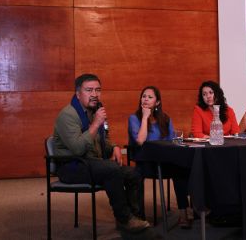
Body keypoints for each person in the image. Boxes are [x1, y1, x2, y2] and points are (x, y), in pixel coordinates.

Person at [53, 73, 149, 232]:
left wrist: (114, 147)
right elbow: (77, 148)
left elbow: (105, 136)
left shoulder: (96, 110)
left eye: (98, 90)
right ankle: (125, 219)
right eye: (89, 90)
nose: (94, 95)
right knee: (111, 169)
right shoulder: (68, 115)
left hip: (92, 162)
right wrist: (96, 123)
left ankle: (135, 217)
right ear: (78, 94)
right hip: (71, 166)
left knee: (134, 173)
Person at [128, 86, 192, 229]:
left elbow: (171, 142)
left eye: (150, 97)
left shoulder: (165, 119)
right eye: (143, 96)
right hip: (145, 163)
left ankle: (184, 213)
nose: (145, 99)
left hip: (163, 161)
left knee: (181, 169)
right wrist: (145, 117)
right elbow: (140, 140)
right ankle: (139, 218)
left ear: (157, 103)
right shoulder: (134, 118)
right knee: (136, 175)